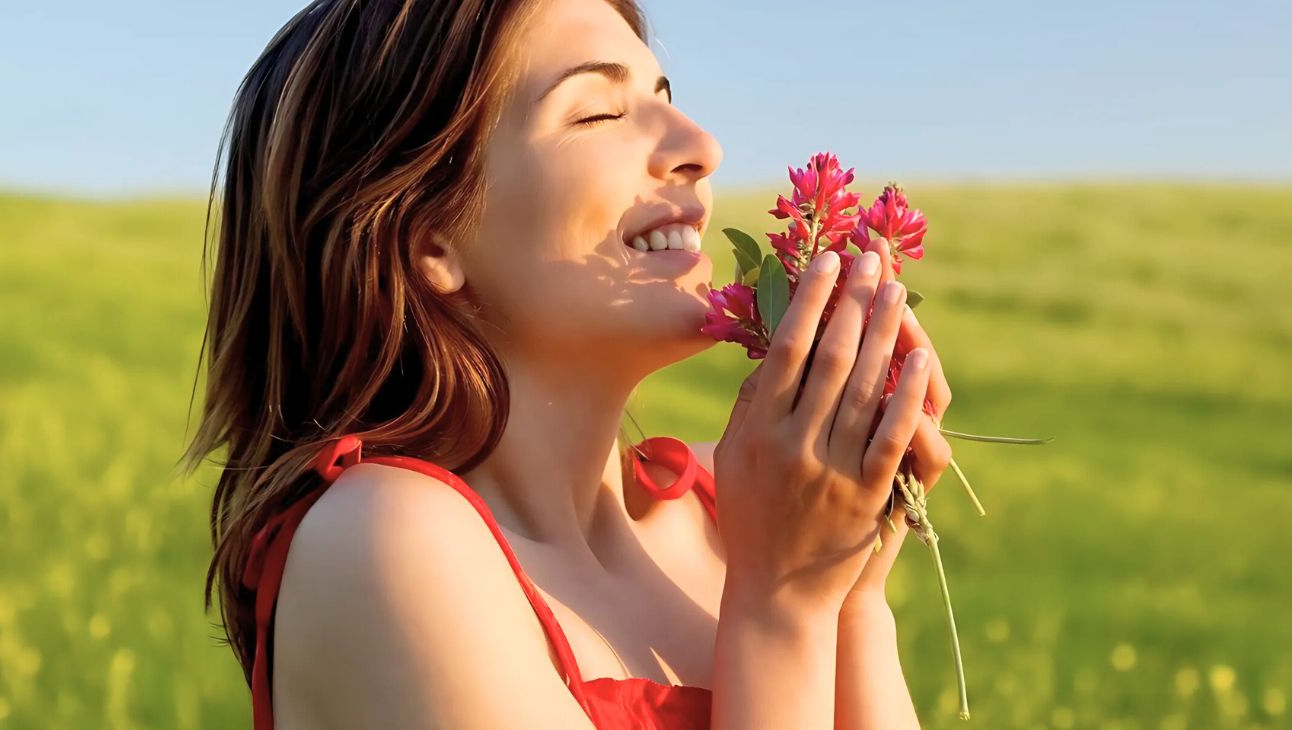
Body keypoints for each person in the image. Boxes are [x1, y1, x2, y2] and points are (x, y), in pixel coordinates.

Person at [181, 0, 955, 727]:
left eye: (664, 93)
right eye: (598, 112)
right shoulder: (381, 539)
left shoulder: (746, 507)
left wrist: (852, 592)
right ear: (430, 239)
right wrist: (784, 606)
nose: (700, 148)